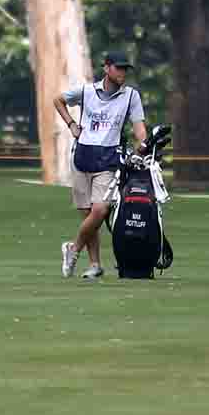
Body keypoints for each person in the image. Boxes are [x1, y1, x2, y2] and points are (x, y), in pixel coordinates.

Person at [55, 51, 148, 281]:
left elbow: (139, 127)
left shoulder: (130, 96)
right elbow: (58, 100)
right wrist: (71, 125)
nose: (123, 73)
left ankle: (73, 249)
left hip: (108, 161)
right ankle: (95, 264)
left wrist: (143, 145)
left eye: (125, 69)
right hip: (81, 157)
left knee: (100, 211)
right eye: (119, 68)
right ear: (106, 68)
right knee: (88, 215)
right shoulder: (86, 91)